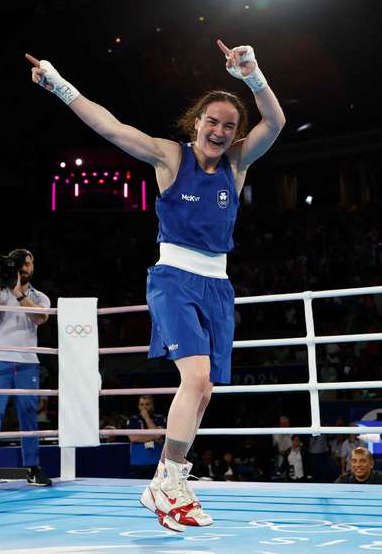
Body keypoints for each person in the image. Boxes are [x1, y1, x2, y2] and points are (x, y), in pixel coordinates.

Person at [25, 39, 285, 531]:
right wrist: (59, 84)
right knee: (197, 380)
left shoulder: (237, 163)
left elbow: (275, 123)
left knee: (205, 391)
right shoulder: (170, 157)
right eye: (213, 122)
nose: (220, 130)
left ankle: (169, 480)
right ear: (196, 123)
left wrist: (253, 75)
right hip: (173, 279)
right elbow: (109, 125)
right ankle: (169, 477)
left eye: (229, 126)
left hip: (218, 285)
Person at [0, 248, 52, 490]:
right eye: (20, 264)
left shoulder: (39, 296)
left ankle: (32, 467)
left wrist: (19, 293)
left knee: (29, 415)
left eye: (28, 264)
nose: (25, 268)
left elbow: (41, 319)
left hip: (27, 362)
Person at [126, 395, 166, 479]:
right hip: (137, 462)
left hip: (156, 461)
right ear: (138, 406)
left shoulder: (160, 418)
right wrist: (154, 435)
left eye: (147, 404)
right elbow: (133, 438)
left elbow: (159, 435)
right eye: (142, 404)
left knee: (156, 488)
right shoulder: (133, 419)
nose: (144, 407)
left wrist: (146, 418)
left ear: (152, 405)